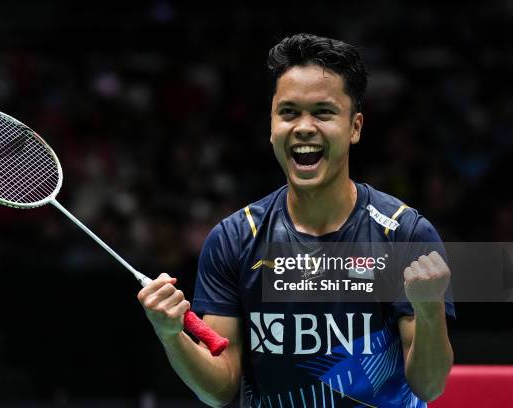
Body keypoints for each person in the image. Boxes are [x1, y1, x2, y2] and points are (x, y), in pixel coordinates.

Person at [137, 33, 455, 407]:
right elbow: (220, 388)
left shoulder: (404, 233)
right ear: (272, 125)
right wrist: (171, 335)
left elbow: (429, 386)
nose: (304, 127)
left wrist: (429, 309)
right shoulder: (234, 239)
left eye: (323, 112)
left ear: (355, 127)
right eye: (288, 112)